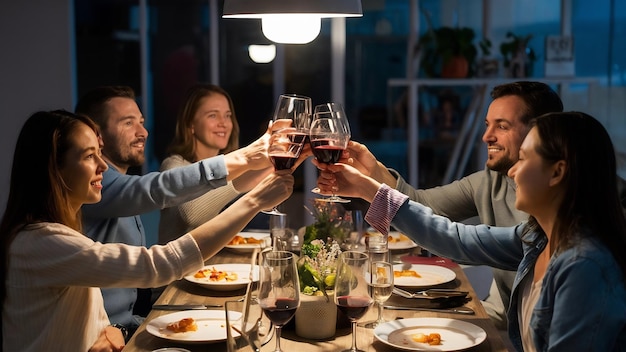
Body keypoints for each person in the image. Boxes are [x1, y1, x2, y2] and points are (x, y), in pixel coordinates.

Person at [321, 111, 626, 351]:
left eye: (522, 159)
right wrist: (369, 190)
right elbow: (455, 239)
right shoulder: (537, 239)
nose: (512, 171)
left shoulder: (584, 267)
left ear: (557, 172)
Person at [0, 110, 293, 351]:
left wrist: (111, 329)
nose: (103, 165)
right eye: (89, 156)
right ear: (55, 169)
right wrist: (253, 202)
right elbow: (159, 264)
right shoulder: (39, 242)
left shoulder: (53, 234)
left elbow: (77, 315)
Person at [316, 81, 564, 330]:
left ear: (539, 134)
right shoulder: (491, 182)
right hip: (505, 324)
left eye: (502, 126)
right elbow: (424, 207)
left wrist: (369, 190)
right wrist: (375, 174)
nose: (486, 137)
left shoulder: (555, 229)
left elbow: (454, 239)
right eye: (487, 125)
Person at [74, 85, 284, 337]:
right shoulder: (97, 185)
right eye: (128, 123)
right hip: (109, 332)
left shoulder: (117, 183)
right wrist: (247, 161)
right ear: (97, 135)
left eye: (141, 122)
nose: (143, 132)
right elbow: (158, 192)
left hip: (128, 323)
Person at [158, 84, 271, 243]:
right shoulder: (173, 166)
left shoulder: (231, 167)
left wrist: (291, 157)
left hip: (216, 265)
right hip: (177, 268)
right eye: (213, 115)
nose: (223, 123)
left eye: (227, 115)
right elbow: (191, 215)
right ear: (191, 125)